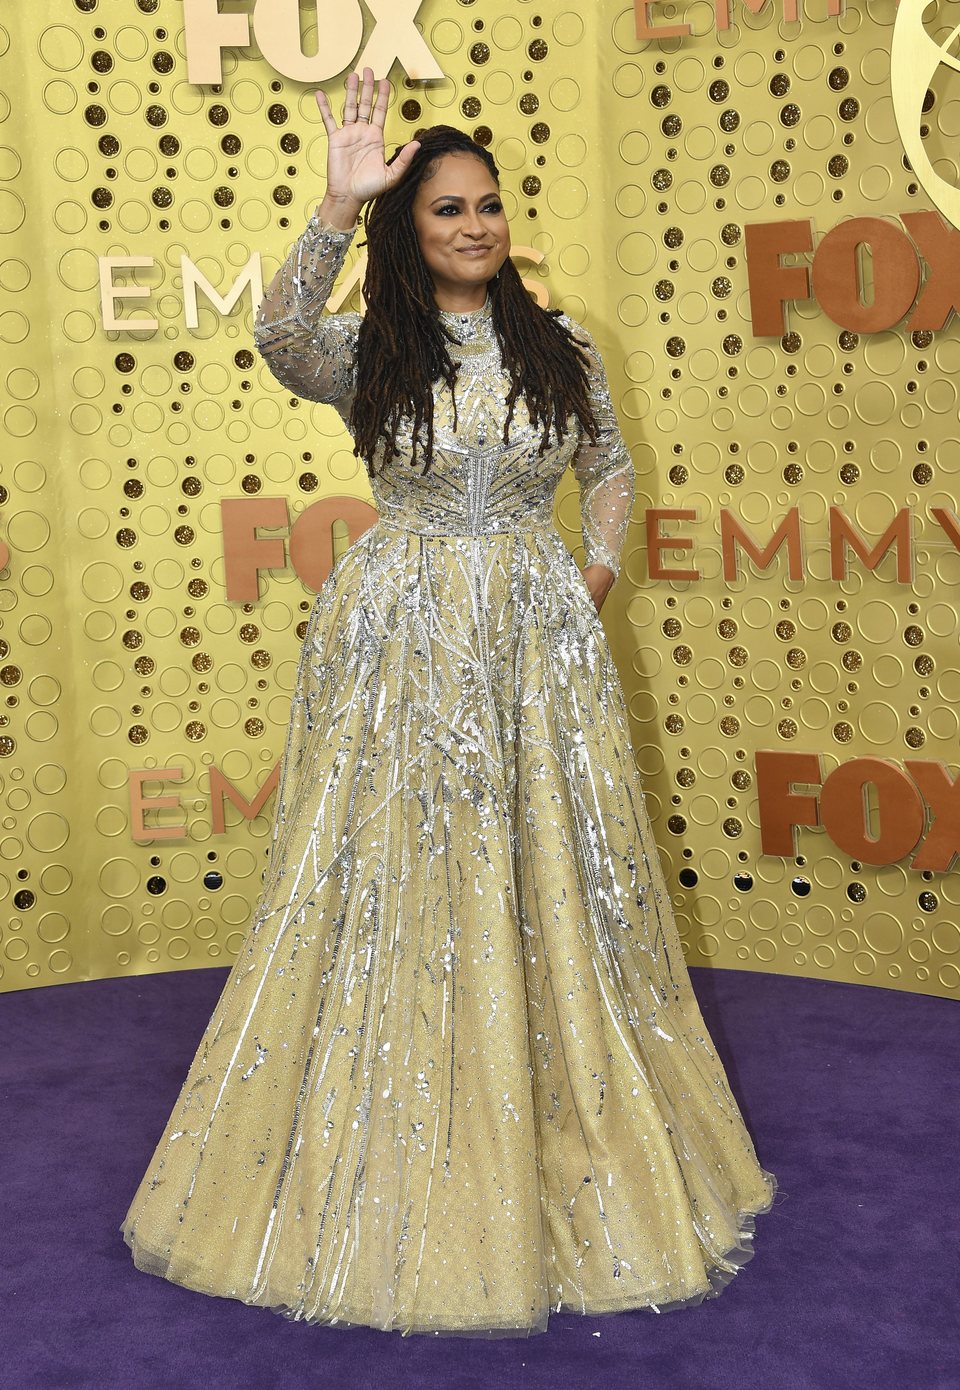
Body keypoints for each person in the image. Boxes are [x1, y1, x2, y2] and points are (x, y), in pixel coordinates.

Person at [120, 67, 777, 1338]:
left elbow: (613, 471)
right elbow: (275, 337)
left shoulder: (559, 340)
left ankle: (559, 1109)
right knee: (403, 867)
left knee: (541, 872)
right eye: (445, 212)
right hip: (402, 640)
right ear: (407, 232)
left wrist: (585, 580)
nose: (475, 226)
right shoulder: (369, 348)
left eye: (486, 206)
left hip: (536, 644)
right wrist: (332, 200)